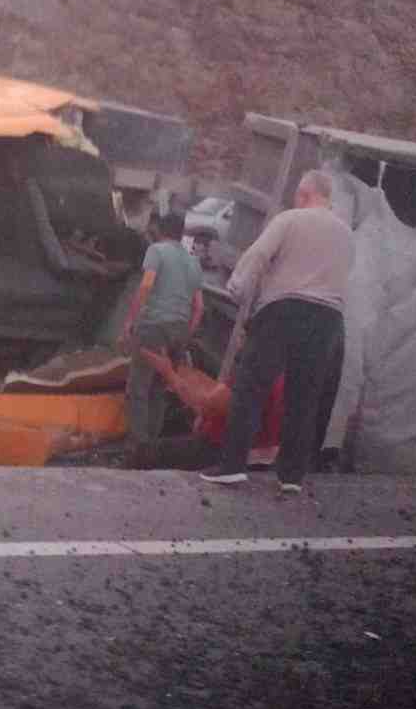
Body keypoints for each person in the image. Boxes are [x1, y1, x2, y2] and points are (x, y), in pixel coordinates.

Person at [200, 169, 353, 493]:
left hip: (283, 309)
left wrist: (238, 289)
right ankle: (292, 477)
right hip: (328, 319)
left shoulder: (290, 219)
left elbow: (258, 255)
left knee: (250, 387)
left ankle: (232, 466)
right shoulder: (346, 233)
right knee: (304, 397)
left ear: (304, 193)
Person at [118, 210, 204, 459]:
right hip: (179, 329)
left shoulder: (156, 251)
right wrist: (185, 333)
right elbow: (199, 307)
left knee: (138, 388)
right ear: (181, 233)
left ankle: (137, 447)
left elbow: (145, 287)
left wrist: (130, 322)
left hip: (154, 327)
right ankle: (153, 447)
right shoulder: (193, 262)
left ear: (160, 230)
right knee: (159, 388)